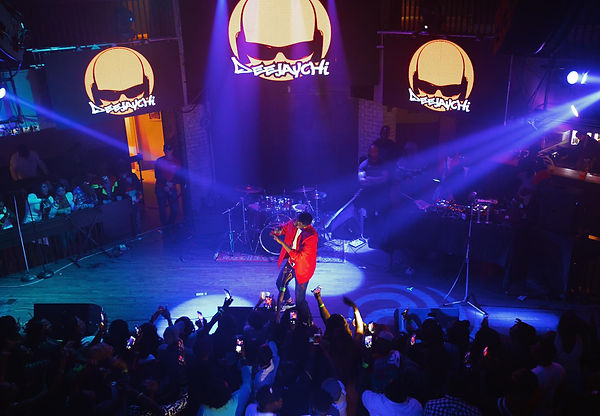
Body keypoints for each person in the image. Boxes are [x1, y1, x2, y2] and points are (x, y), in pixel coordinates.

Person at [271, 211, 318, 321]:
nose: (294, 222)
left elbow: (299, 256)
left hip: (303, 268)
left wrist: (281, 243)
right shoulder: (294, 222)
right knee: (280, 283)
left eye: (297, 222)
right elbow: (284, 228)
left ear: (303, 224)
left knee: (300, 300)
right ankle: (289, 302)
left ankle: (307, 322)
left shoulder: (311, 236)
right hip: (291, 263)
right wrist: (278, 230)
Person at [154, 144, 181, 227]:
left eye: (169, 150)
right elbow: (157, 175)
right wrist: (165, 184)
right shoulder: (159, 161)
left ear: (172, 150)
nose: (168, 152)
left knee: (175, 209)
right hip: (160, 188)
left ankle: (170, 224)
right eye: (166, 150)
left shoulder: (176, 162)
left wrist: (171, 183)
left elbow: (178, 175)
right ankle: (165, 226)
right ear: (164, 151)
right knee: (162, 209)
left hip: (172, 188)